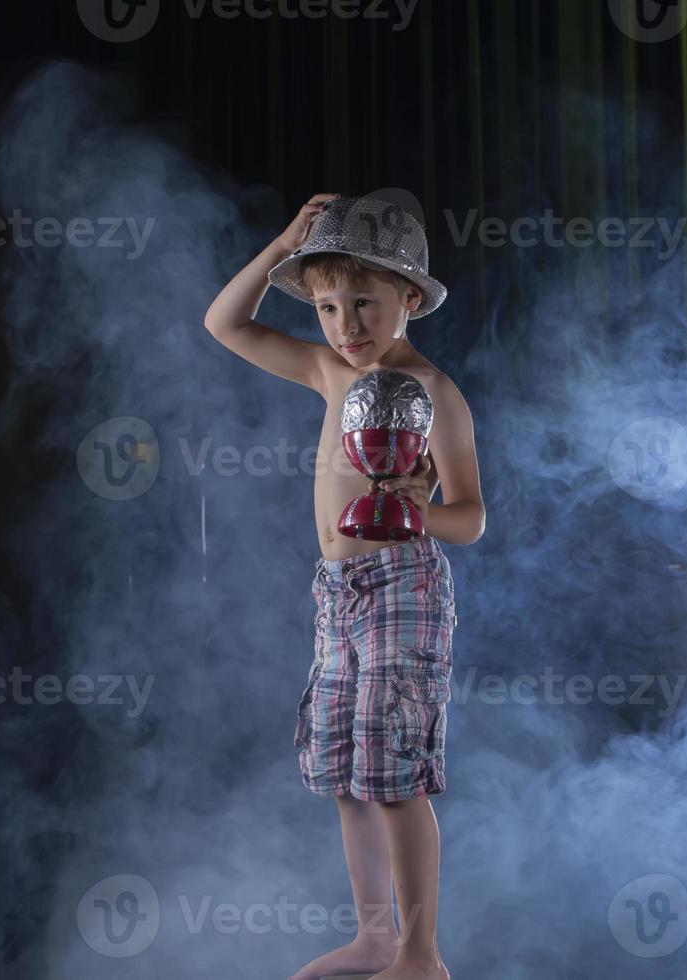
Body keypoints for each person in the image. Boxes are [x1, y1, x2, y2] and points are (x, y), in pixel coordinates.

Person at [204, 192, 484, 980]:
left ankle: (422, 955)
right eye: (328, 306)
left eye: (364, 302)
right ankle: (374, 938)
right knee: (345, 774)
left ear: (409, 299)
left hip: (402, 585)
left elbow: (473, 518)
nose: (346, 324)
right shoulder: (330, 373)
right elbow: (224, 325)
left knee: (392, 775)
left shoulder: (434, 393)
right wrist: (284, 244)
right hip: (336, 591)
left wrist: (420, 509)